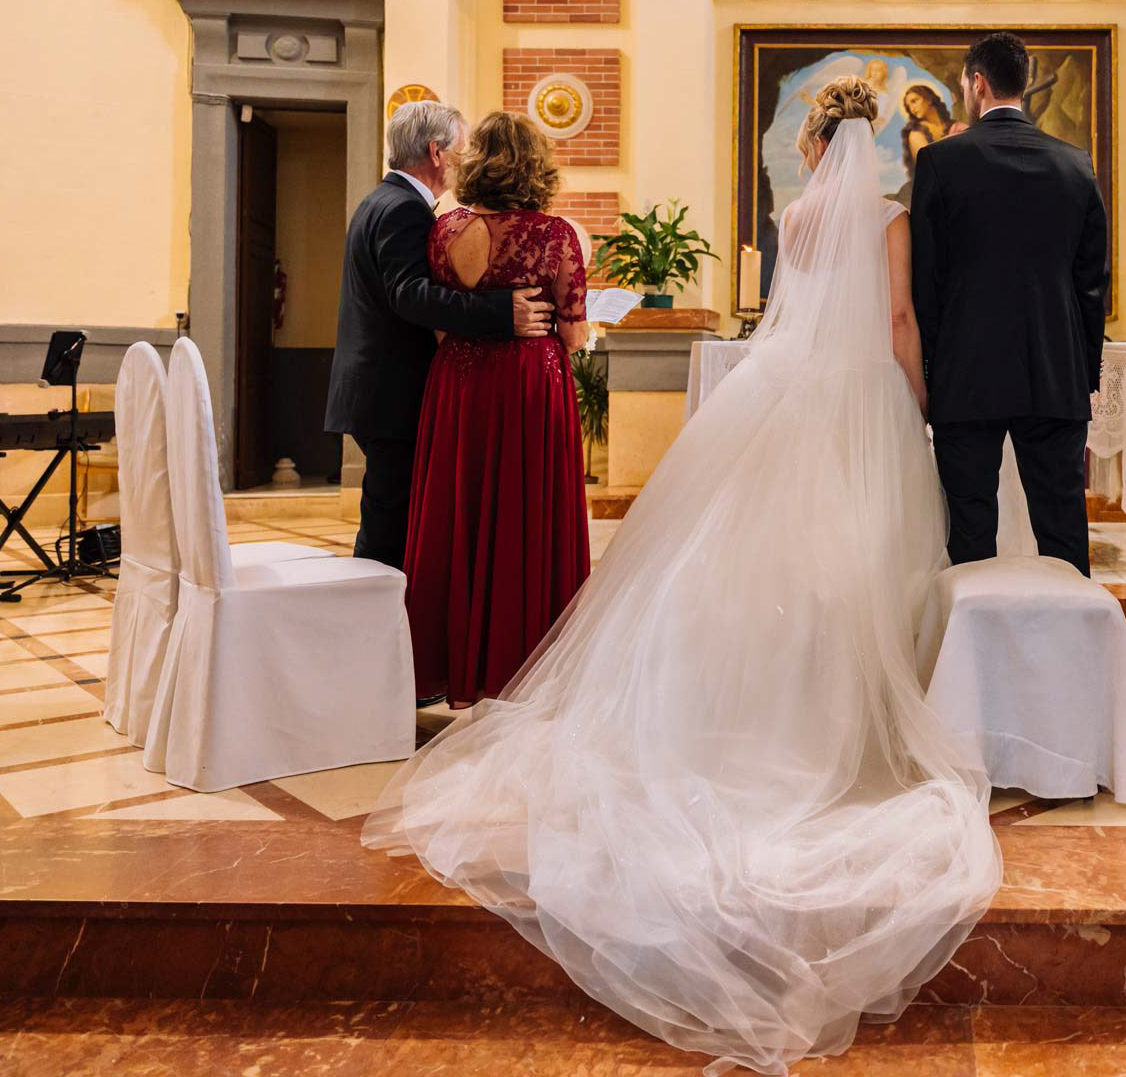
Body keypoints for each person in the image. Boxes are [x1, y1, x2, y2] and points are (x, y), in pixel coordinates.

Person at [365, 77, 1000, 1076]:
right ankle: (857, 708)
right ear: (872, 141)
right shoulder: (890, 217)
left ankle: (772, 694)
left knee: (777, 555)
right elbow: (897, 318)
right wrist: (918, 400)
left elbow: (793, 314)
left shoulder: (797, 216)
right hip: (866, 400)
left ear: (813, 140)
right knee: (866, 551)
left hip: (791, 390)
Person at [401, 113, 591, 706]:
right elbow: (575, 335)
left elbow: (439, 316)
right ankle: (524, 663)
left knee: (459, 513)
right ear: (536, 166)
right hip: (530, 385)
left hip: (458, 384)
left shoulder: (445, 230)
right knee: (523, 515)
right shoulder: (555, 235)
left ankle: (452, 665)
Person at [910, 31, 1109, 574]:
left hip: (965, 374)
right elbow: (1091, 282)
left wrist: (932, 371)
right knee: (1062, 531)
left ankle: (974, 629)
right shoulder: (1075, 163)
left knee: (970, 532)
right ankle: (1069, 629)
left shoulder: (940, 162)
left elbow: (927, 281)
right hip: (1055, 372)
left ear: (978, 83)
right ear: (1021, 83)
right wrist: (1082, 372)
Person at [324, 101, 554, 571]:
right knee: (390, 526)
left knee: (391, 514)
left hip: (376, 388)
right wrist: (502, 312)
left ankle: (383, 607)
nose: (465, 159)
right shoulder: (403, 210)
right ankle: (378, 611)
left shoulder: (382, 201)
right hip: (391, 393)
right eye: (461, 148)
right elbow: (410, 296)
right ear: (436, 152)